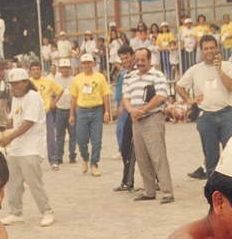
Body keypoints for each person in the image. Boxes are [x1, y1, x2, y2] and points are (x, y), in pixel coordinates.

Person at [177, 35, 232, 181]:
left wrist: (220, 71)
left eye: (212, 48)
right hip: (206, 117)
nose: (209, 51)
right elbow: (179, 86)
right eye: (205, 48)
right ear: (201, 50)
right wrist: (189, 100)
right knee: (211, 158)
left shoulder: (227, 66)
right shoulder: (195, 70)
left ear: (217, 48)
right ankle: (214, 190)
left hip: (226, 115)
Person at [0, 69, 54, 227]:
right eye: (12, 84)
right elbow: (14, 120)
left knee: (33, 181)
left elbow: (28, 122)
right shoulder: (15, 99)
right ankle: (16, 213)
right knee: (13, 181)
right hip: (17, 148)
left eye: (17, 84)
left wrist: (10, 137)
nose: (14, 87)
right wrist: (4, 125)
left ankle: (47, 211)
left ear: (25, 82)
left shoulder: (33, 97)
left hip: (32, 146)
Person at [122, 47, 174, 204]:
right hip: (136, 120)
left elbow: (160, 97)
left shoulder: (157, 75)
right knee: (142, 157)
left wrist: (143, 110)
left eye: (142, 60)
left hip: (152, 118)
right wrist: (131, 110)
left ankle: (167, 192)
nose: (139, 63)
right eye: (137, 60)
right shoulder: (130, 77)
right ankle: (149, 190)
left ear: (150, 59)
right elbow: (126, 97)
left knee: (158, 156)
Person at [68, 53, 111, 176]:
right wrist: (71, 114)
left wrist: (106, 111)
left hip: (97, 110)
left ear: (93, 64)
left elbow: (105, 94)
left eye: (89, 63)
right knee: (81, 138)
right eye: (84, 63)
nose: (87, 65)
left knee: (96, 140)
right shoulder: (77, 79)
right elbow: (74, 97)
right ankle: (85, 157)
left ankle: (94, 164)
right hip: (82, 111)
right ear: (81, 65)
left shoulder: (100, 77)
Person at [28, 61, 63, 170]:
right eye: (33, 69)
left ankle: (53, 161)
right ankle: (34, 162)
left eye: (37, 69)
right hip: (32, 115)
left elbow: (60, 90)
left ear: (41, 70)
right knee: (32, 138)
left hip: (45, 113)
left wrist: (54, 102)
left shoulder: (47, 81)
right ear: (30, 71)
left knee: (50, 137)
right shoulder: (27, 82)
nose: (36, 71)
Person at [113, 46, 136, 192]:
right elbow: (125, 93)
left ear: (132, 56)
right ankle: (127, 180)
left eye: (127, 57)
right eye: (122, 59)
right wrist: (121, 105)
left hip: (139, 112)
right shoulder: (124, 74)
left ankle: (157, 180)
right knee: (125, 147)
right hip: (128, 113)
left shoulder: (138, 72)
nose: (125, 61)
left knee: (144, 149)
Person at [53, 59, 77, 167]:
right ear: (60, 69)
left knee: (73, 133)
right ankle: (59, 156)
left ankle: (72, 155)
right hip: (60, 110)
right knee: (60, 135)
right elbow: (52, 93)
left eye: (67, 67)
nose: (65, 70)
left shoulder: (74, 79)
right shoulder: (56, 80)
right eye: (63, 68)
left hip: (71, 109)